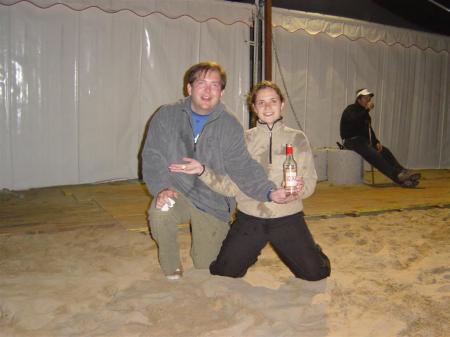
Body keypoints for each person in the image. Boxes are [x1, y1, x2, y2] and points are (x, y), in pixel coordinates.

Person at [142, 62, 295, 280]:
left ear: (221, 93)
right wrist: (162, 188)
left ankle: (213, 238)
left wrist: (269, 192)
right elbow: (152, 156)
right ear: (189, 88)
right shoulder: (166, 115)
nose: (207, 90)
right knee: (160, 211)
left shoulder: (230, 125)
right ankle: (171, 264)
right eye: (201, 83)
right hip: (177, 189)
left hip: (212, 200)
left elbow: (243, 166)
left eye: (214, 85)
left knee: (206, 265)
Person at [170, 81, 331, 281]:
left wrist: (298, 190)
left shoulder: (298, 139)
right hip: (250, 218)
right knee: (224, 271)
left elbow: (309, 182)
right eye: (261, 102)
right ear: (253, 108)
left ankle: (313, 251)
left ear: (282, 104)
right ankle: (250, 250)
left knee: (316, 273)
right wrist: (202, 170)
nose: (267, 107)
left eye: (273, 101)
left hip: (288, 218)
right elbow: (229, 186)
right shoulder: (242, 140)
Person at [340, 89, 421, 188]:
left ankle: (402, 172)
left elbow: (369, 130)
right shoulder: (351, 109)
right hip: (351, 141)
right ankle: (399, 177)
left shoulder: (365, 114)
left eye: (369, 99)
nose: (368, 101)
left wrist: (376, 142)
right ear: (359, 99)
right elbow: (355, 120)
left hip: (362, 141)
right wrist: (367, 110)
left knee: (384, 151)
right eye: (366, 98)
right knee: (375, 155)